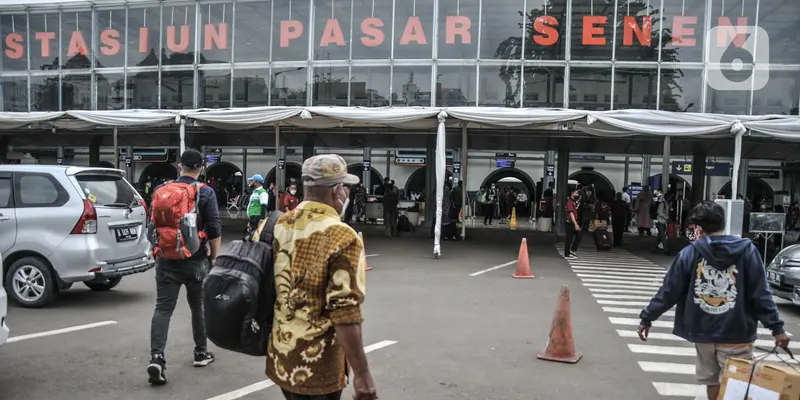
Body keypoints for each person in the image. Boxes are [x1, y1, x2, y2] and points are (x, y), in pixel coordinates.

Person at [637, 201, 789, 400]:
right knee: (735, 384)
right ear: (722, 222)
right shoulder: (747, 251)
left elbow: (669, 291)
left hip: (702, 332)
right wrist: (776, 328)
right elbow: (760, 294)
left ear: (698, 227)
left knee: (713, 383)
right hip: (737, 332)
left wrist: (647, 318)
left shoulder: (690, 253)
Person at [269, 154, 377, 400]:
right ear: (337, 190)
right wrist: (363, 375)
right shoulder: (342, 235)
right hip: (318, 364)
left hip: (281, 355)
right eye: (345, 187)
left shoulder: (278, 223)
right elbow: (345, 313)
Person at [147, 149, 221, 385]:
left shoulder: (161, 190)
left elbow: (152, 225)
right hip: (195, 260)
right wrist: (214, 259)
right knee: (198, 305)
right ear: (201, 168)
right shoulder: (205, 192)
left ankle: (157, 358)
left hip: (166, 260)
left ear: (179, 166)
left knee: (162, 309)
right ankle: (201, 352)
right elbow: (215, 228)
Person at [564, 188, 582, 259]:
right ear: (572, 193)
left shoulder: (573, 202)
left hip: (573, 222)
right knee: (569, 238)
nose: (577, 195)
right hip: (570, 222)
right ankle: (567, 254)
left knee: (579, 236)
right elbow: (571, 213)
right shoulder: (569, 202)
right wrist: (575, 224)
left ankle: (571, 251)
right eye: (576, 193)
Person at [653, 189, 670, 254]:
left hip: (663, 222)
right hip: (660, 221)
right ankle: (666, 249)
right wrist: (666, 217)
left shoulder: (666, 204)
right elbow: (659, 212)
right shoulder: (662, 204)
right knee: (663, 236)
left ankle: (654, 247)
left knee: (660, 236)